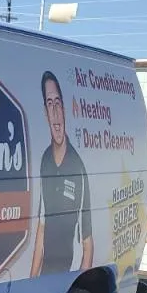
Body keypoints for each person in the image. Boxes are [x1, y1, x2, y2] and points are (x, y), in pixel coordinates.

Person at [30, 70, 93, 277]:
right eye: (50, 104)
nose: (55, 112)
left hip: (68, 277)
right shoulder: (45, 161)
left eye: (58, 103)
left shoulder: (78, 167)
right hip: (45, 279)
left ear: (64, 109)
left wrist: (78, 289)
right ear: (45, 112)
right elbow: (41, 227)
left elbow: (87, 244)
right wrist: (31, 282)